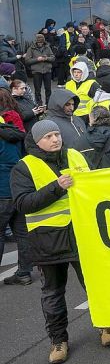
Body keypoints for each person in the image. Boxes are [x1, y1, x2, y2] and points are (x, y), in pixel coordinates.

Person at [10, 120, 110, 364]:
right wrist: (56, 188)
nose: (55, 139)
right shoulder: (24, 167)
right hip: (47, 241)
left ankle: (106, 325)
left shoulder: (74, 156)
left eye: (57, 134)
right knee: (53, 293)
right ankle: (58, 341)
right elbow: (23, 204)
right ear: (37, 141)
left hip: (82, 234)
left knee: (95, 285)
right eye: (48, 136)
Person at [0, 104, 28, 285]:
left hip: (1, 191)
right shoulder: (15, 133)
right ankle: (24, 273)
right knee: (22, 233)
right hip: (18, 188)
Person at [24, 33, 54, 104]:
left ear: (44, 41)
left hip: (47, 71)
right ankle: (39, 103)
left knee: (48, 89)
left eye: (41, 42)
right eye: (39, 42)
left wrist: (47, 58)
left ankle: (48, 103)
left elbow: (53, 58)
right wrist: (37, 59)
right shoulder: (31, 48)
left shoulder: (47, 47)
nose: (40, 43)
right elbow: (27, 61)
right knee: (37, 90)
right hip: (36, 71)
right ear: (36, 41)